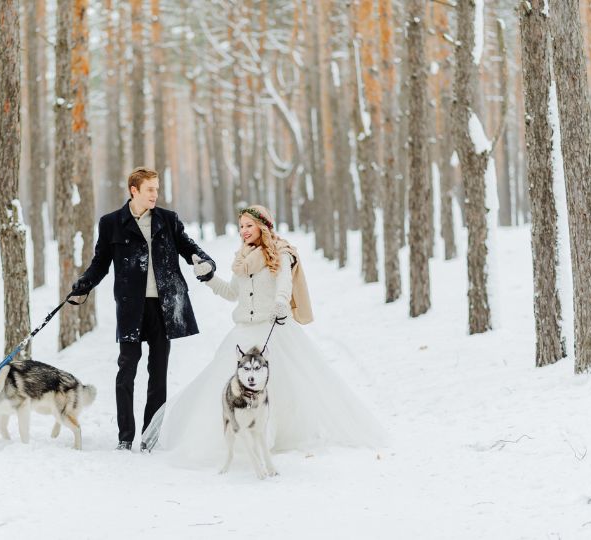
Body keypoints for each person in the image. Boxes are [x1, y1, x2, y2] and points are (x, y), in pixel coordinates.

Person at [142, 205, 386, 466]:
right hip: (243, 333)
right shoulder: (242, 259)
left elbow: (284, 282)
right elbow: (231, 293)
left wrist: (281, 302)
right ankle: (235, 440)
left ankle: (273, 437)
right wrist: (210, 278)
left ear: (263, 226)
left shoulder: (281, 253)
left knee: (282, 386)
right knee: (228, 388)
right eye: (241, 226)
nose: (244, 231)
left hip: (273, 329)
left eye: (249, 225)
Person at [70, 167, 215, 451]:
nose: (155, 195)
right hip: (130, 307)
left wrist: (205, 262)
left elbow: (190, 249)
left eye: (157, 189)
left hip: (164, 307)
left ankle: (151, 435)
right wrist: (83, 285)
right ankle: (125, 437)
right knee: (126, 370)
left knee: (158, 372)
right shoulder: (111, 223)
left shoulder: (168, 220)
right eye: (150, 189)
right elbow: (101, 262)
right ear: (133, 190)